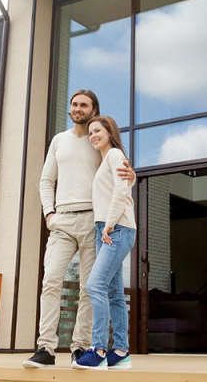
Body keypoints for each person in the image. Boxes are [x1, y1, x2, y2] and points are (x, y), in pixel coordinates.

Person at [22, 90, 134, 369]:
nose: (77, 108)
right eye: (74, 104)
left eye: (84, 105)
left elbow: (118, 173)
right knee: (51, 280)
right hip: (61, 221)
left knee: (88, 287)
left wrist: (132, 175)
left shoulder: (99, 141)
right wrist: (49, 213)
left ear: (93, 109)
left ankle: (80, 346)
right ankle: (46, 348)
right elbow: (46, 180)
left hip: (93, 221)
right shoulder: (59, 141)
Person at [73, 116, 137, 370]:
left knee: (95, 284)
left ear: (110, 132)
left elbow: (121, 191)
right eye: (90, 133)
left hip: (116, 228)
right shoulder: (106, 160)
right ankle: (120, 352)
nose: (93, 136)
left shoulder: (114, 155)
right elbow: (123, 184)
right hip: (107, 229)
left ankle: (98, 350)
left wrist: (109, 224)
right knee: (114, 293)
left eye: (97, 130)